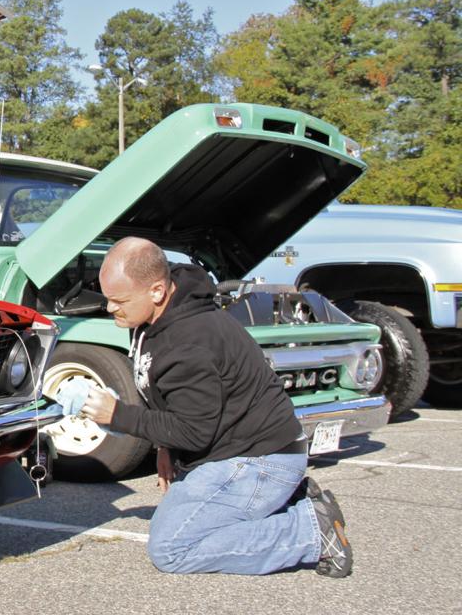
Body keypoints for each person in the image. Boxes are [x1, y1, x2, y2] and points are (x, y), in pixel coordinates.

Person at [80, 236, 352, 577]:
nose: (110, 308)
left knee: (172, 548)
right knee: (177, 522)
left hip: (260, 459)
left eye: (119, 300)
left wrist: (117, 415)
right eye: (107, 299)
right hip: (239, 452)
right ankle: (292, 500)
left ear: (157, 291)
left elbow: (195, 431)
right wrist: (165, 445)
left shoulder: (189, 341)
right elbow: (177, 404)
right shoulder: (160, 317)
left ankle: (311, 532)